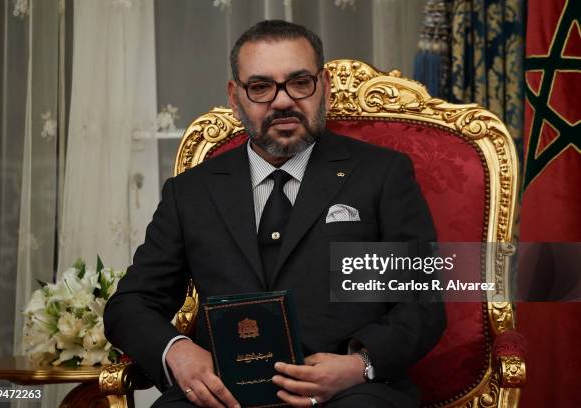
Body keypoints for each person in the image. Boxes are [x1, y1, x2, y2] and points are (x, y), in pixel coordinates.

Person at [104, 20, 446, 408]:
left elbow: (422, 301)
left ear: (325, 86)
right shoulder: (191, 191)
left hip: (350, 393)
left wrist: (359, 364)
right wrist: (177, 351)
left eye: (300, 82)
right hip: (224, 396)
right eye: (261, 87)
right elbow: (130, 305)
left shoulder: (381, 175)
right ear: (236, 97)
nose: (283, 101)